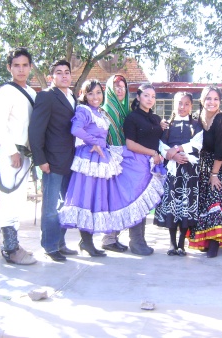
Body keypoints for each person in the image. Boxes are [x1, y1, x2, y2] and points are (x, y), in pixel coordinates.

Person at [58, 80, 164, 257]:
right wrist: (95, 142)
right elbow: (75, 129)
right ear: (84, 95)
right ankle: (61, 242)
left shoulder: (99, 112)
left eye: (98, 93)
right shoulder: (84, 110)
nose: (95, 97)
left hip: (100, 158)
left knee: (93, 199)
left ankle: (87, 241)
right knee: (83, 199)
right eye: (90, 93)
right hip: (89, 160)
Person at [28, 59, 78, 262]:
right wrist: (40, 159)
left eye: (67, 72)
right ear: (51, 77)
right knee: (50, 207)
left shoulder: (73, 97)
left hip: (72, 161)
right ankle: (49, 246)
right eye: (59, 72)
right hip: (51, 161)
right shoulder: (46, 97)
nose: (64, 75)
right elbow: (35, 130)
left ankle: (60, 243)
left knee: (65, 206)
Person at [0, 47, 37, 265]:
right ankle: (10, 249)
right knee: (10, 199)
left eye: (25, 65)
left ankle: (13, 244)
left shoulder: (32, 92)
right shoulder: (5, 91)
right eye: (16, 65)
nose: (21, 69)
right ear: (10, 67)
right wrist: (12, 152)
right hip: (13, 153)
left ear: (30, 67)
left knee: (19, 200)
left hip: (26, 153)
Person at [188, 85, 222, 258]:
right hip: (201, 165)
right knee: (201, 202)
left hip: (220, 167)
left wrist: (214, 174)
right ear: (202, 100)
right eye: (208, 98)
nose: (212, 102)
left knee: (215, 198)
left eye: (216, 99)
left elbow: (221, 150)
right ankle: (203, 239)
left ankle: (215, 241)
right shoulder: (195, 118)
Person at [153, 92, 203, 256]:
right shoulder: (167, 126)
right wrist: (172, 155)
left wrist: (179, 150)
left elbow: (197, 143)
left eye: (186, 104)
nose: (182, 107)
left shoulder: (195, 125)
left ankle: (182, 243)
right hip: (172, 173)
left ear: (191, 106)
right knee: (172, 206)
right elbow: (161, 145)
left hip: (189, 172)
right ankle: (172, 243)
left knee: (186, 206)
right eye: (179, 103)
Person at [123, 84, 165, 256]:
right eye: (146, 95)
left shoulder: (155, 119)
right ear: (139, 97)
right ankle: (136, 241)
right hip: (137, 164)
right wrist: (152, 153)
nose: (150, 99)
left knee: (145, 204)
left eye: (153, 96)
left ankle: (141, 240)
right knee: (137, 202)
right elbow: (130, 144)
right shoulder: (132, 118)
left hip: (152, 166)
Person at [100, 74, 130, 253]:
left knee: (121, 200)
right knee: (112, 201)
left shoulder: (127, 111)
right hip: (110, 163)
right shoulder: (104, 111)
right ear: (109, 89)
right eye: (116, 86)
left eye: (122, 86)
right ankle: (108, 238)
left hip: (126, 161)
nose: (120, 89)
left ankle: (113, 237)